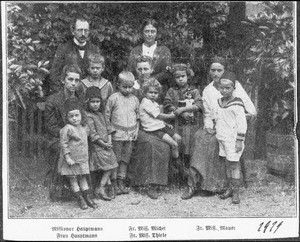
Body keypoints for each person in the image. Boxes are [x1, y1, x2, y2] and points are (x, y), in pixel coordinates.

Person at [181, 56, 257, 200]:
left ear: (224, 71)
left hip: (231, 129)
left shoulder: (234, 86)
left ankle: (220, 186)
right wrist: (209, 126)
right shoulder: (208, 90)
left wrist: (233, 121)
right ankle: (193, 184)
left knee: (212, 143)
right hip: (215, 126)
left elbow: (251, 111)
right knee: (199, 137)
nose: (216, 73)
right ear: (209, 71)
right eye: (213, 70)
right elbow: (208, 113)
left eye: (219, 70)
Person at [45, 64, 85, 201]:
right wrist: (68, 134)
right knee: (61, 149)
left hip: (78, 136)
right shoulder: (53, 100)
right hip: (58, 137)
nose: (74, 83)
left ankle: (85, 189)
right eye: (70, 79)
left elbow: (84, 120)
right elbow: (51, 127)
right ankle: (60, 188)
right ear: (63, 80)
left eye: (77, 80)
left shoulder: (80, 99)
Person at [138, 78, 181, 199]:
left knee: (178, 138)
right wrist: (170, 116)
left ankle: (174, 163)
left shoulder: (154, 103)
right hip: (153, 130)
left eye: (155, 93)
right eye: (150, 92)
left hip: (160, 126)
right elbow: (157, 115)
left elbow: (157, 118)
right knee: (173, 144)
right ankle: (176, 165)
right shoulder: (146, 102)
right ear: (145, 92)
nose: (153, 95)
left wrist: (166, 124)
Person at [163, 64, 203, 178]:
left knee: (189, 148)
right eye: (177, 77)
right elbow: (167, 104)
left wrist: (185, 109)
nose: (180, 79)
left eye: (183, 76)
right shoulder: (171, 91)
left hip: (191, 125)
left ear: (187, 76)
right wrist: (178, 111)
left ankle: (189, 175)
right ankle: (178, 173)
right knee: (178, 146)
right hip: (176, 124)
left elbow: (199, 105)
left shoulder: (194, 91)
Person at [58, 98, 97, 210]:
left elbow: (88, 137)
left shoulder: (84, 127)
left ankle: (88, 197)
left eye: (77, 115)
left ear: (81, 115)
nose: (74, 118)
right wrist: (67, 157)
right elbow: (64, 144)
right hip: (72, 160)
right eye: (71, 116)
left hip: (82, 158)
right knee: (74, 179)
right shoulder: (67, 129)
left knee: (83, 178)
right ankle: (80, 199)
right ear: (67, 117)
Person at [214, 71, 247, 204]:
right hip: (222, 138)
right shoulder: (219, 102)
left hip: (233, 140)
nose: (224, 90)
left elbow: (242, 124)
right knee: (227, 164)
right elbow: (217, 117)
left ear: (234, 88)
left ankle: (236, 192)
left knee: (234, 164)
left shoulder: (237, 103)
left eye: (228, 87)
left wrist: (239, 140)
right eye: (222, 87)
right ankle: (229, 189)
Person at [105, 71, 139, 195]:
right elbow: (107, 116)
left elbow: (138, 117)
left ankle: (121, 181)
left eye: (130, 87)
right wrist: (110, 132)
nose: (128, 90)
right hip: (117, 135)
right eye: (125, 87)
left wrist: (136, 130)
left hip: (130, 136)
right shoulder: (113, 98)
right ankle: (113, 182)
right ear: (118, 85)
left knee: (125, 159)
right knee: (116, 159)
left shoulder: (135, 99)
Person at [50, 17, 101, 93]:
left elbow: (99, 74)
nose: (83, 34)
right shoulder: (63, 49)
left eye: (86, 31)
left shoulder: (95, 49)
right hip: (69, 94)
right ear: (73, 31)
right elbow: (54, 74)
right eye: (80, 30)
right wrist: (63, 93)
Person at [85, 86, 118, 201]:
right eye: (92, 102)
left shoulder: (101, 113)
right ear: (87, 102)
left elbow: (108, 127)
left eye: (97, 101)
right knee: (110, 166)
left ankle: (106, 186)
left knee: (111, 165)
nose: (95, 104)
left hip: (106, 144)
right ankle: (101, 187)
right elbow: (93, 135)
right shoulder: (88, 116)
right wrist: (103, 144)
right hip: (97, 146)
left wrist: (109, 140)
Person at [127, 19, 172, 102]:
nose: (150, 34)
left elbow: (166, 73)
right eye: (147, 31)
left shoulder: (164, 50)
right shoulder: (135, 51)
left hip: (158, 92)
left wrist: (149, 83)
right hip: (138, 91)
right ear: (142, 33)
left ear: (157, 33)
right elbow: (131, 72)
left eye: (153, 31)